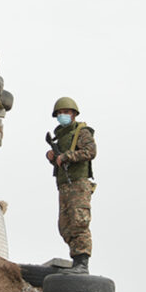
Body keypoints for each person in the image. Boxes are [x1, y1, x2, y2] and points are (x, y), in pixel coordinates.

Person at [45, 96, 96, 274]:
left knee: (79, 222)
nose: (62, 115)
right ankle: (76, 261)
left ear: (74, 114)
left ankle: (82, 262)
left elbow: (90, 151)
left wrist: (66, 156)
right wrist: (53, 158)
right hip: (64, 185)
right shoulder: (61, 136)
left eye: (66, 112)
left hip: (78, 184)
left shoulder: (81, 132)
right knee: (65, 225)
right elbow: (61, 162)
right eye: (59, 113)